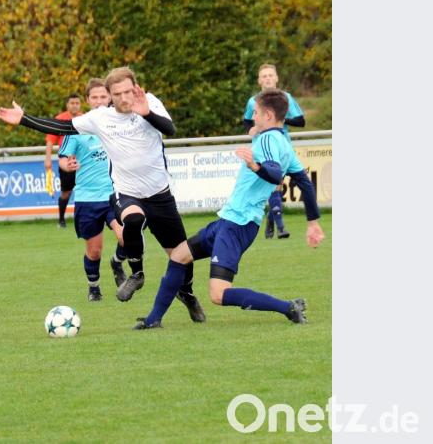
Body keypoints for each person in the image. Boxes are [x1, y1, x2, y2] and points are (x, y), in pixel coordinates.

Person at [0, 67, 205, 323]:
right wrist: (24, 119)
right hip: (126, 192)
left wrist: (146, 113)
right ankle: (137, 273)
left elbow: (170, 129)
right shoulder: (100, 118)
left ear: (136, 87)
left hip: (160, 194)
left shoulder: (149, 102)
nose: (125, 97)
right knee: (133, 220)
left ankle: (187, 293)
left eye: (128, 91)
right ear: (109, 95)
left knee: (182, 255)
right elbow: (62, 126)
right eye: (118, 93)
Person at [133, 89, 325, 330]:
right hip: (230, 220)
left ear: (267, 114)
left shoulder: (267, 140)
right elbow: (305, 183)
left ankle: (288, 307)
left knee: (218, 294)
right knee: (179, 256)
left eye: (255, 113)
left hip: (238, 224)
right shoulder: (283, 143)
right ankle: (153, 320)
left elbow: (274, 172)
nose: (252, 118)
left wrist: (255, 166)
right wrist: (313, 221)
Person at [57, 79, 128, 301]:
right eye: (94, 97)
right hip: (88, 198)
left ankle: (116, 262)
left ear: (110, 98)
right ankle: (94, 287)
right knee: (94, 250)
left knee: (128, 237)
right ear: (87, 100)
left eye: (103, 97)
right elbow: (62, 159)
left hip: (114, 194)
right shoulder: (77, 127)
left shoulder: (120, 124)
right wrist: (66, 165)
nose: (99, 101)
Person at [243, 63, 306, 239]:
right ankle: (281, 227)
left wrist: (279, 117)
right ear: (259, 80)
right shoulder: (253, 101)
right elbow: (247, 121)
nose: (268, 78)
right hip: (261, 147)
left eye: (271, 75)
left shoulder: (286, 98)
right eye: (264, 76)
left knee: (276, 185)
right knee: (274, 184)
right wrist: (251, 130)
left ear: (276, 78)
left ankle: (272, 218)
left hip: (282, 146)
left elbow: (301, 121)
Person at [45, 94, 82, 228]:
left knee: (84, 190)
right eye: (72, 103)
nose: (75, 105)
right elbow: (50, 140)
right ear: (67, 105)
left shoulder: (84, 118)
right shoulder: (60, 119)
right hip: (66, 161)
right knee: (66, 192)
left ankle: (82, 219)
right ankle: (61, 219)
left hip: (83, 161)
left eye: (77, 103)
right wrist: (48, 159)